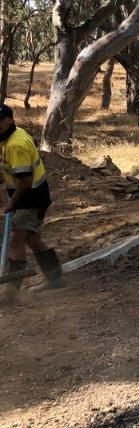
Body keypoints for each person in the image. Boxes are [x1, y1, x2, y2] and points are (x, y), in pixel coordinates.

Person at [0, 104, 62, 297]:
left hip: (31, 197)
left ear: (9, 119)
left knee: (16, 239)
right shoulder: (9, 138)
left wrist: (11, 203)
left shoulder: (16, 144)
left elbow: (25, 180)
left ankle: (10, 291)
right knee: (32, 239)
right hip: (29, 195)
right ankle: (55, 279)